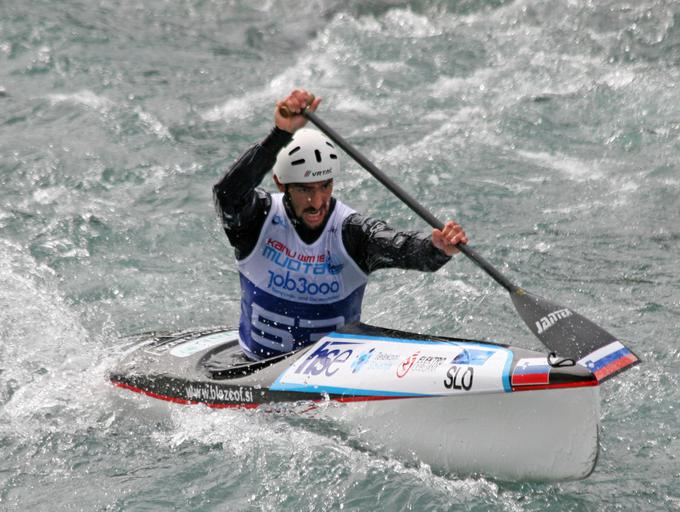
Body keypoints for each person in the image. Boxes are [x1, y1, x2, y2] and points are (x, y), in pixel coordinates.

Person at [214, 89, 468, 361]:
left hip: (334, 377)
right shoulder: (257, 221)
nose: (317, 201)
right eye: (304, 190)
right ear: (280, 184)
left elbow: (403, 247)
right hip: (253, 369)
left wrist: (437, 248)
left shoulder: (351, 233)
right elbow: (227, 194)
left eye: (325, 186)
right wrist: (280, 134)